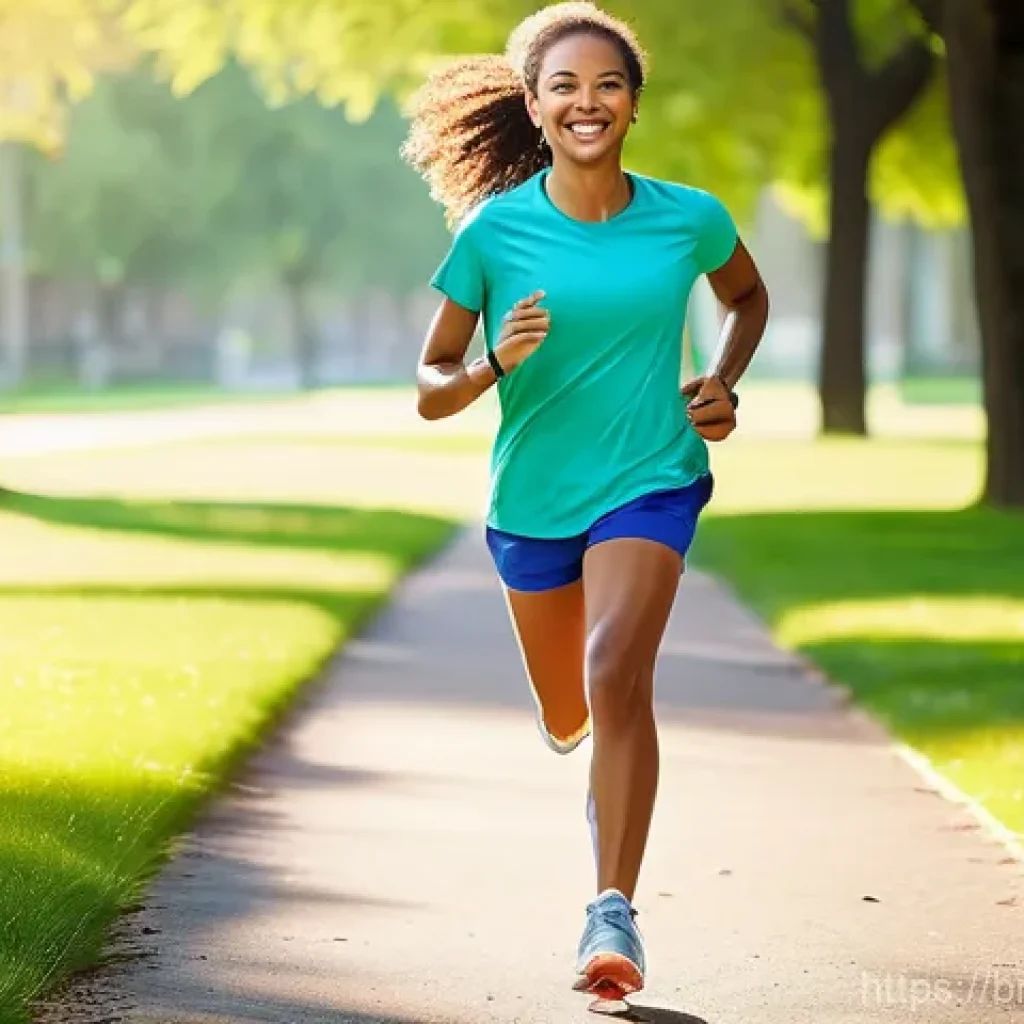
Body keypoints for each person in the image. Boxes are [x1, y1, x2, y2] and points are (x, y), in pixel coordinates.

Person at [402, 0, 769, 1003]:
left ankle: (612, 911)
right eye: (563, 86)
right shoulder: (494, 232)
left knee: (616, 673)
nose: (587, 102)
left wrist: (721, 383)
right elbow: (430, 384)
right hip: (532, 503)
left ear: (634, 103)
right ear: (533, 106)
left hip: (651, 478)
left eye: (608, 84)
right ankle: (570, 722)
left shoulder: (689, 217)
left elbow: (746, 296)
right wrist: (492, 363)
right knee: (572, 705)